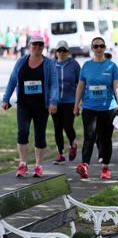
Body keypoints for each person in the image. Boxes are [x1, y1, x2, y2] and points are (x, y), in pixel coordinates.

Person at [2, 35, 58, 177]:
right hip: (24, 104)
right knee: (22, 133)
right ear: (29, 45)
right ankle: (23, 164)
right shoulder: (21, 61)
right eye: (35, 44)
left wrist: (53, 102)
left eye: (40, 44)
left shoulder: (48, 63)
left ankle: (38, 166)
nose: (37, 47)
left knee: (40, 134)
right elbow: (12, 80)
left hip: (41, 105)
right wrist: (6, 99)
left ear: (43, 46)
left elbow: (54, 84)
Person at [73, 37, 118, 179]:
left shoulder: (111, 66)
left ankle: (105, 167)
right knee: (89, 137)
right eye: (95, 46)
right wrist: (76, 105)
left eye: (101, 46)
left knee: (106, 139)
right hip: (89, 107)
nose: (98, 49)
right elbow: (80, 86)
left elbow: (117, 86)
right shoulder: (86, 66)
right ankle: (84, 166)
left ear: (105, 48)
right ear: (92, 48)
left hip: (108, 108)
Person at [51, 40, 80, 165]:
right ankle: (60, 154)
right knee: (57, 128)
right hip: (56, 102)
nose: (61, 53)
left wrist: (79, 102)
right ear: (55, 52)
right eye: (59, 50)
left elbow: (81, 83)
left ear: (68, 52)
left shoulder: (74, 64)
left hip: (70, 101)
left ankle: (73, 144)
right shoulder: (51, 65)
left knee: (67, 125)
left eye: (64, 51)